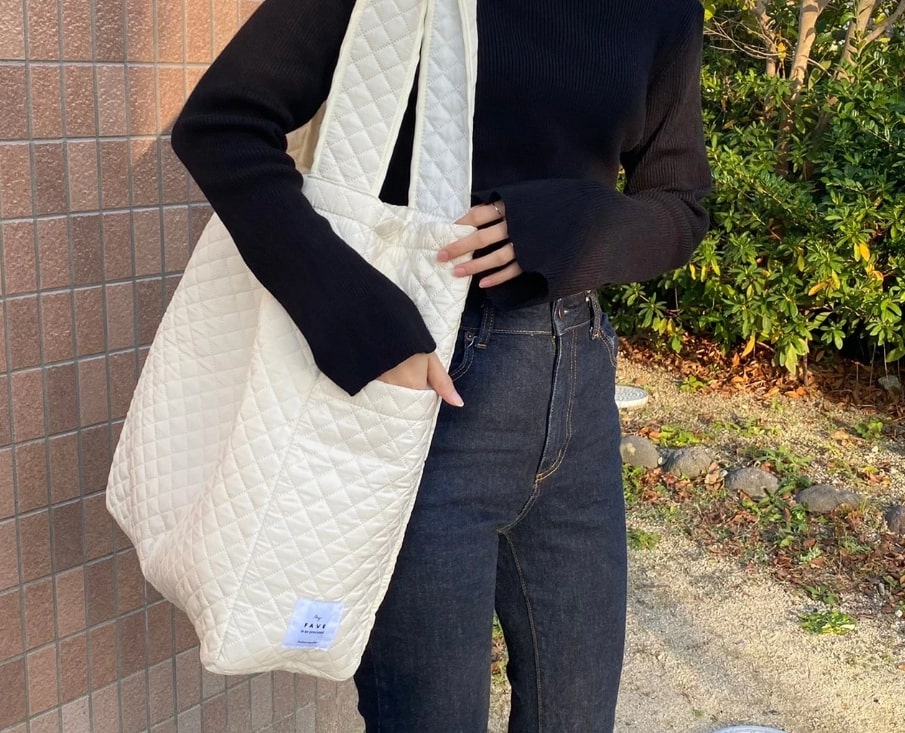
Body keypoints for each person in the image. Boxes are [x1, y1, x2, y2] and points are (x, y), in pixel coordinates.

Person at [171, 0, 711, 730]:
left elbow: (680, 206)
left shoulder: (661, 9)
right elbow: (222, 123)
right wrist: (362, 321)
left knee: (578, 716)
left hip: (577, 389)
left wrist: (573, 225)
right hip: (422, 389)